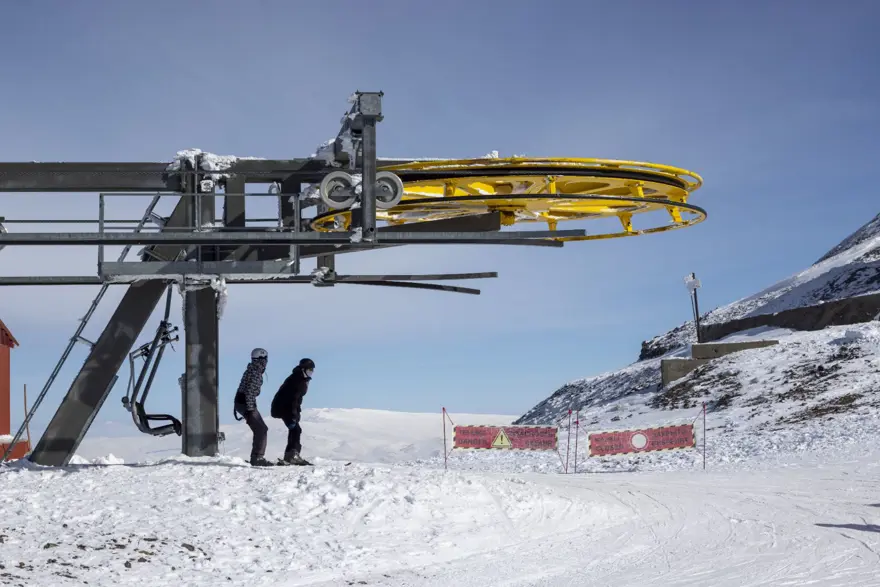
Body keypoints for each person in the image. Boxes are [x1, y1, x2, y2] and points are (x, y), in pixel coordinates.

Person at [233, 348, 274, 467]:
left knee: (260, 429)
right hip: (246, 403)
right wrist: (250, 409)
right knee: (261, 429)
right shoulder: (256, 372)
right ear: (262, 359)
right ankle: (257, 458)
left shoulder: (251, 369)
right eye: (265, 359)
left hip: (242, 402)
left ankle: (256, 457)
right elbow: (250, 391)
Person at [271, 358, 315, 465]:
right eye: (309, 370)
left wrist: (296, 412)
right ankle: (292, 455)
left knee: (295, 429)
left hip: (285, 407)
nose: (311, 373)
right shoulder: (298, 380)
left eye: (312, 371)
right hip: (285, 407)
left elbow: (297, 399)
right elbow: (293, 398)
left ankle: (290, 455)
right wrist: (294, 414)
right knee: (296, 430)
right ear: (303, 369)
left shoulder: (300, 378)